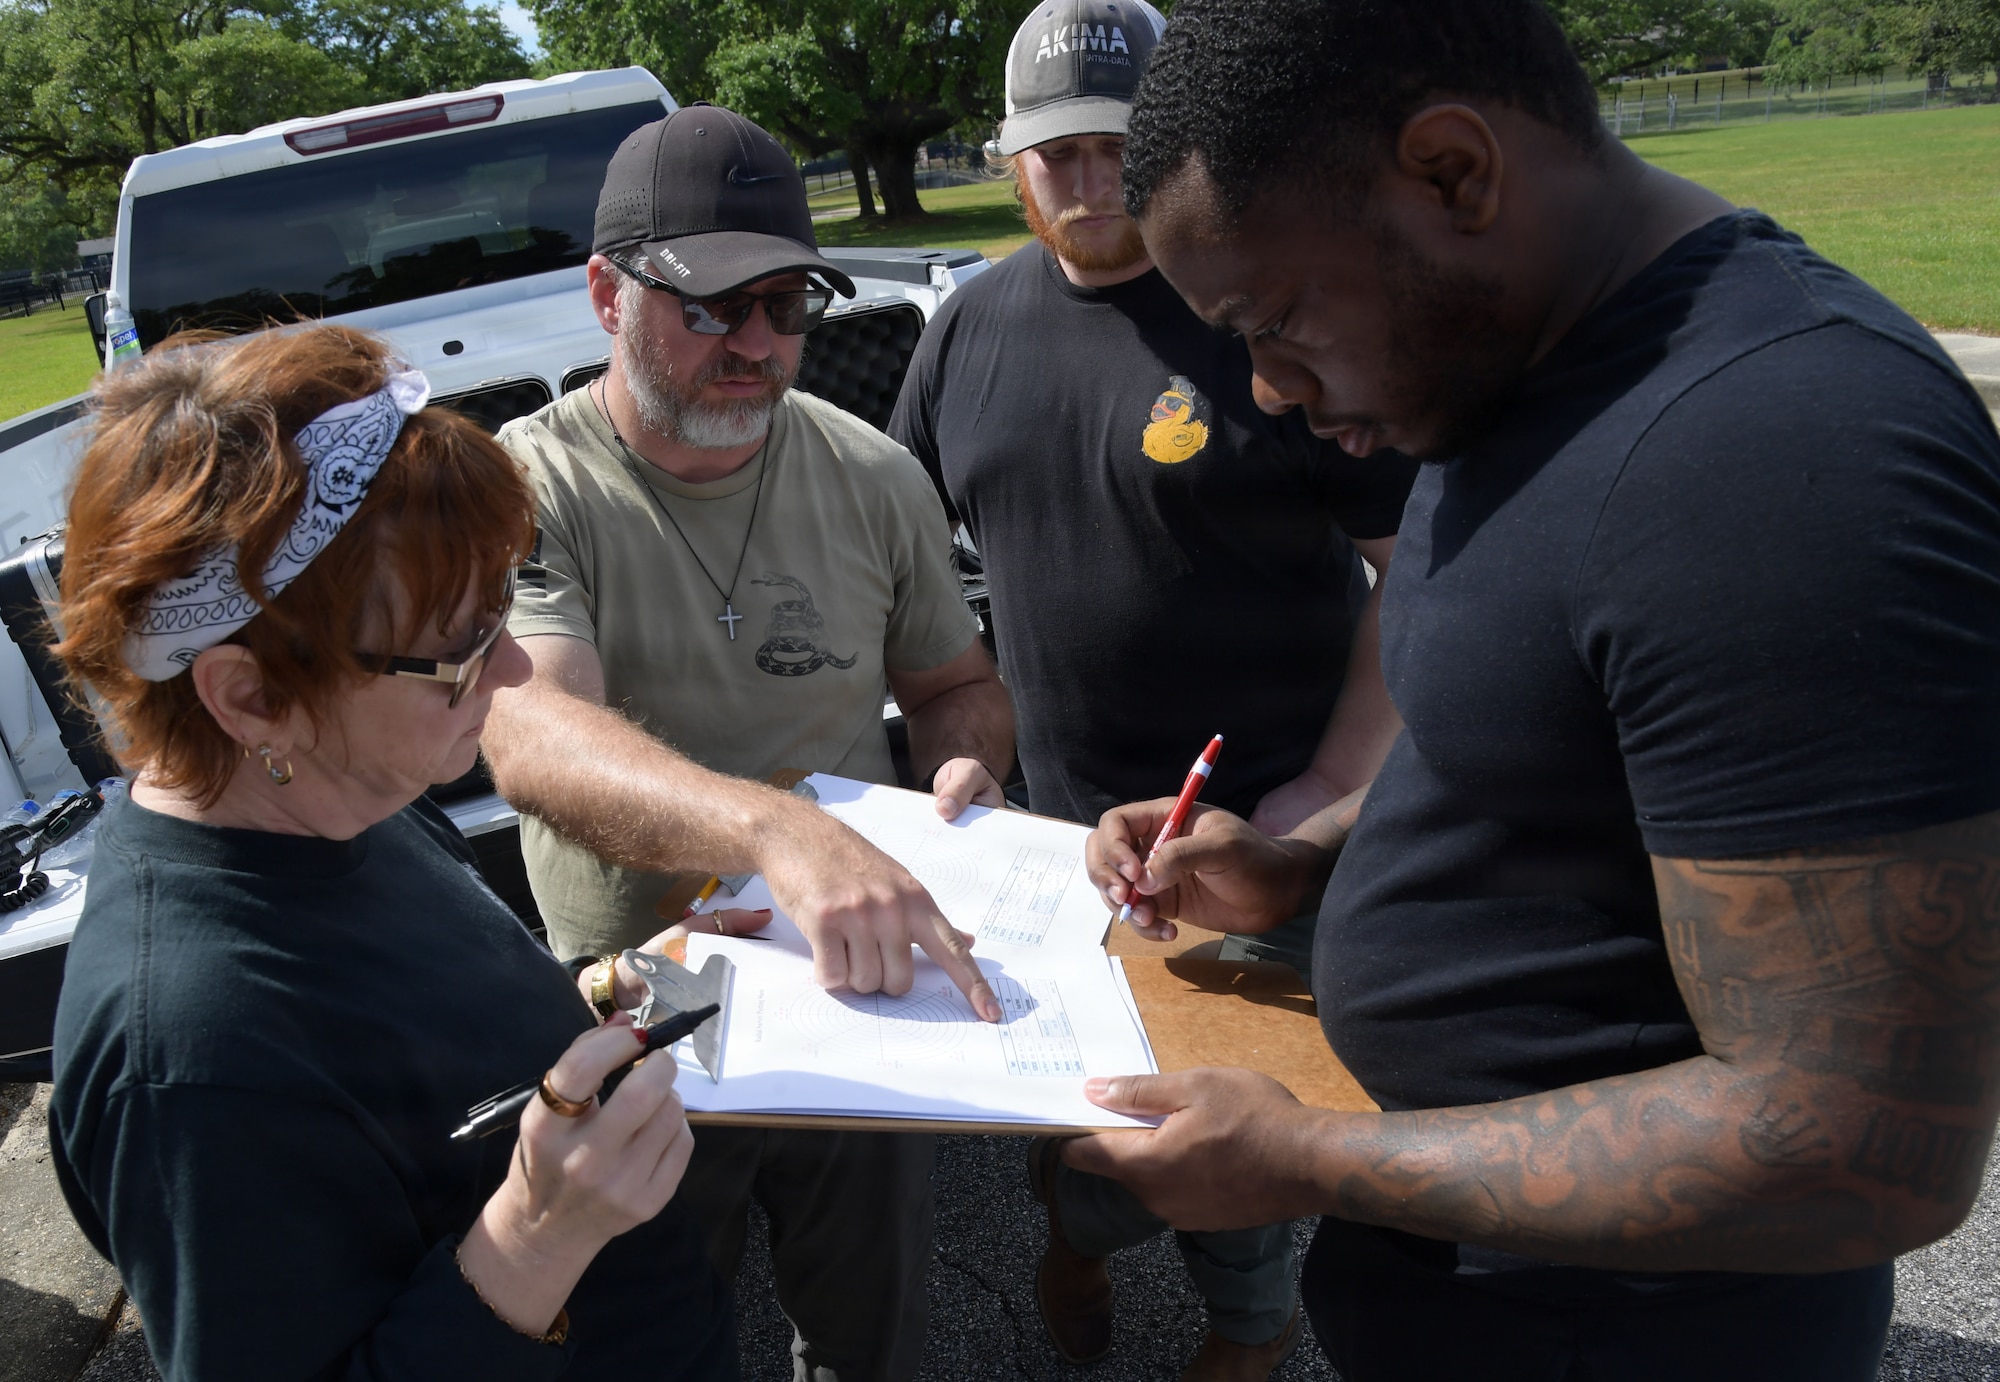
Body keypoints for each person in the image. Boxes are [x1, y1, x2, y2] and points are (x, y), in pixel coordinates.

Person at [1065, 1, 2000, 1380]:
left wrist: (1313, 1155)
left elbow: (1859, 1141)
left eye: (1272, 320)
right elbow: (1536, 746)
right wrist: (1299, 863)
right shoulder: (1503, 360)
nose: (1261, 388)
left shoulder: (1788, 462)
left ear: (1452, 173)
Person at [46, 324, 734, 1381]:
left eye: (505, 604)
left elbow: (407, 1052)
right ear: (252, 694)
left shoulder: (344, 793)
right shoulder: (191, 1062)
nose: (511, 673)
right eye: (458, 648)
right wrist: (536, 1234)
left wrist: (601, 988)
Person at [888, 3, 1416, 1376]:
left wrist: (1316, 799)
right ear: (1014, 165)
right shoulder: (969, 326)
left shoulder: (1259, 315)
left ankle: (1251, 1333)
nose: (1091, 180)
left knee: (1236, 1160)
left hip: (1251, 848)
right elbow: (898, 560)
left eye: (1120, 144)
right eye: (1055, 152)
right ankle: (1075, 1242)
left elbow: (1415, 567)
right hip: (1056, 853)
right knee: (1082, 1131)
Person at [479, 104, 1013, 1382]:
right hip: (641, 994)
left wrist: (966, 760)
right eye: (711, 307)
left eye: (786, 305)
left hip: (856, 982)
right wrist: (778, 831)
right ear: (606, 292)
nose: (759, 344)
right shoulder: (528, 484)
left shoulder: (874, 472)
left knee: (869, 1323)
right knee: (654, 1326)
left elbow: (953, 681)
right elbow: (535, 733)